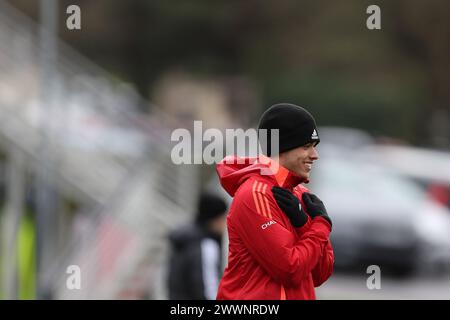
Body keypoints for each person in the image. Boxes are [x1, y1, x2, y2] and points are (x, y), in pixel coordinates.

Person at [215, 103, 334, 300]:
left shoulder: (300, 193)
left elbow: (320, 274)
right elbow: (290, 270)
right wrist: (321, 225)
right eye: (306, 146)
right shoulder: (255, 194)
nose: (315, 155)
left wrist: (305, 225)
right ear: (281, 148)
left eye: (314, 147)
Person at [167, 192, 228, 299]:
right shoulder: (206, 245)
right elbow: (209, 291)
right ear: (215, 219)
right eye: (224, 218)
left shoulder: (185, 239)